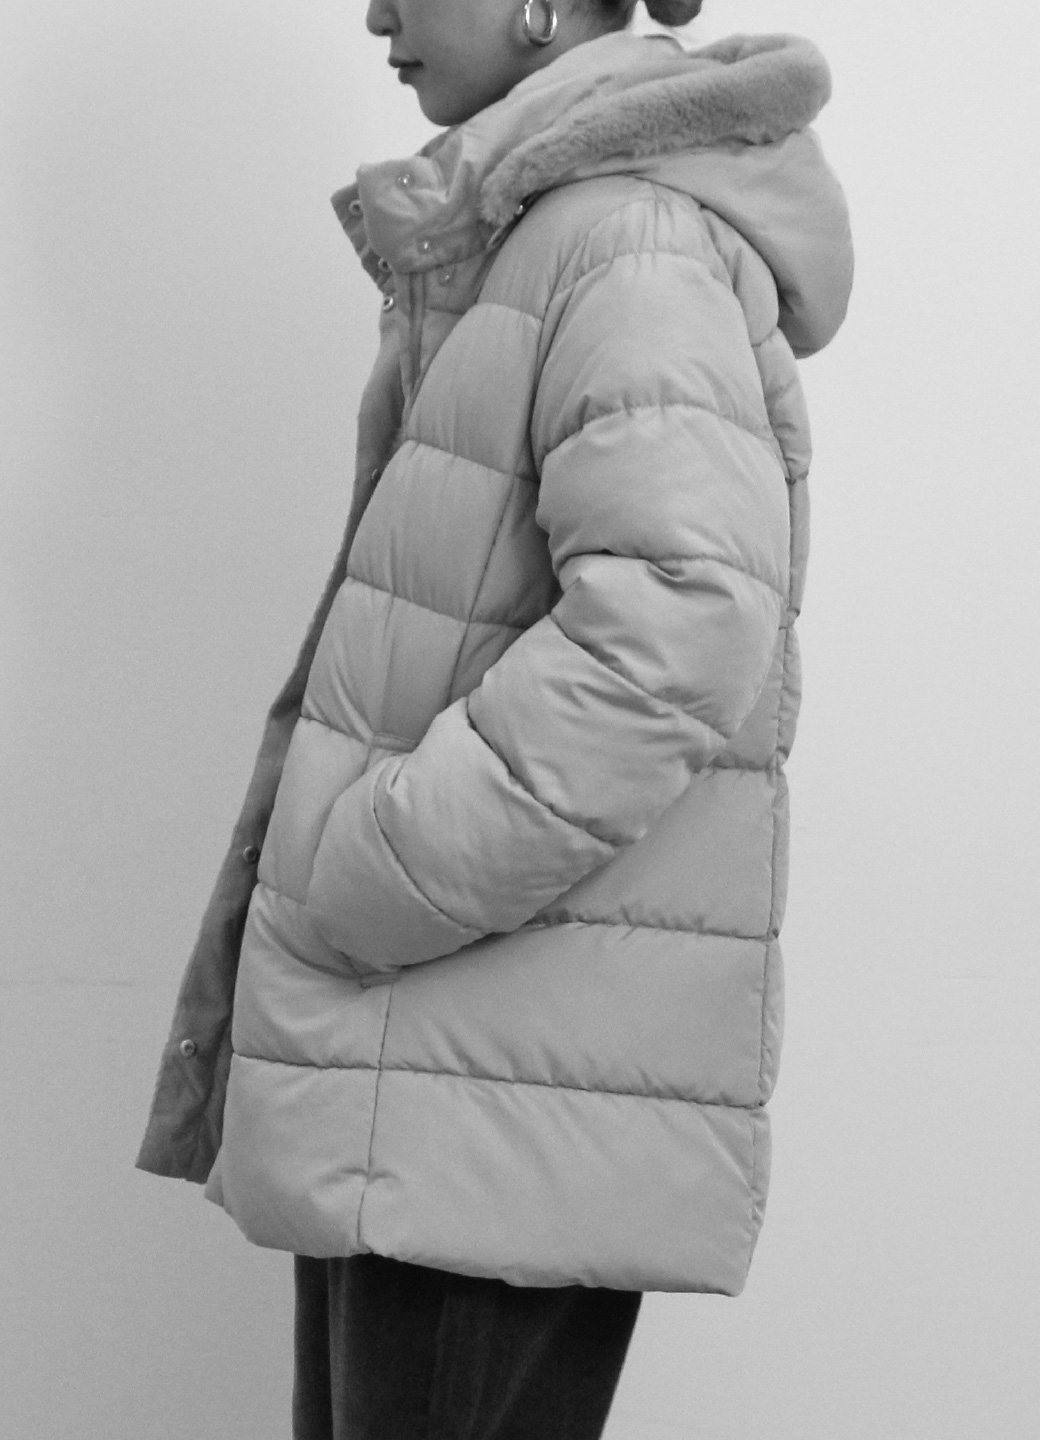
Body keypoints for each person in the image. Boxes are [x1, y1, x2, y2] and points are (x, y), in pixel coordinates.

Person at [137, 0, 853, 1435]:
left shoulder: (626, 241)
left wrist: (370, 871)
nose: (375, 13)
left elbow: (675, 625)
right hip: (449, 1065)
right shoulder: (543, 234)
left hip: (483, 1075)